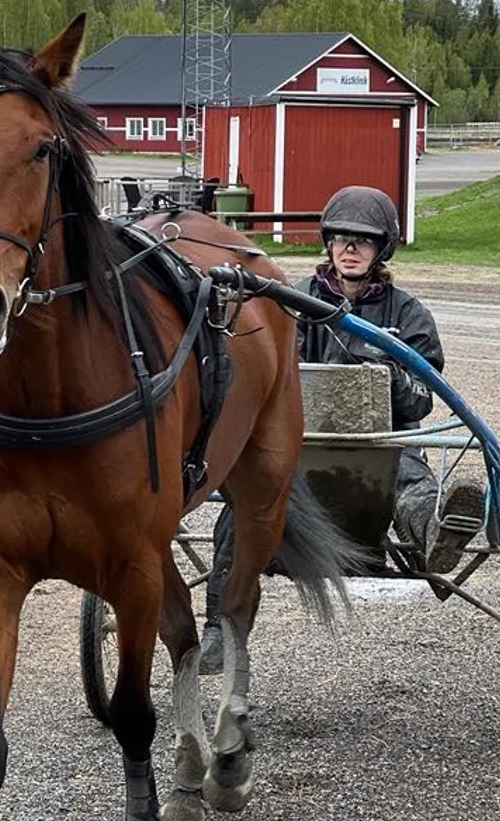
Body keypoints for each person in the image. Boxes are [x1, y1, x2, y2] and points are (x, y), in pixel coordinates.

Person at [200, 185, 484, 670]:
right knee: (247, 500)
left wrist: (384, 367)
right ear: (328, 244)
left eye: (364, 240)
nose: (351, 248)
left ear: (381, 250)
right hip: (294, 452)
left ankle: (436, 539)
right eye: (342, 239)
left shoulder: (408, 315)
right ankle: (219, 631)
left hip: (383, 450)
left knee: (412, 485)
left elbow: (421, 397)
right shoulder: (290, 302)